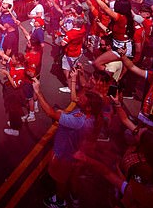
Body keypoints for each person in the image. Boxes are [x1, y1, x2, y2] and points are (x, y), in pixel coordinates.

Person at [33, 77, 103, 208]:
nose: (79, 99)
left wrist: (38, 92)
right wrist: (75, 79)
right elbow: (75, 100)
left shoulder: (79, 121)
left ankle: (59, 201)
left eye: (82, 100)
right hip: (72, 152)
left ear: (88, 108)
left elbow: (50, 113)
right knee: (71, 177)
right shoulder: (88, 115)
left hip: (64, 155)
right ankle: (74, 197)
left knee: (60, 179)